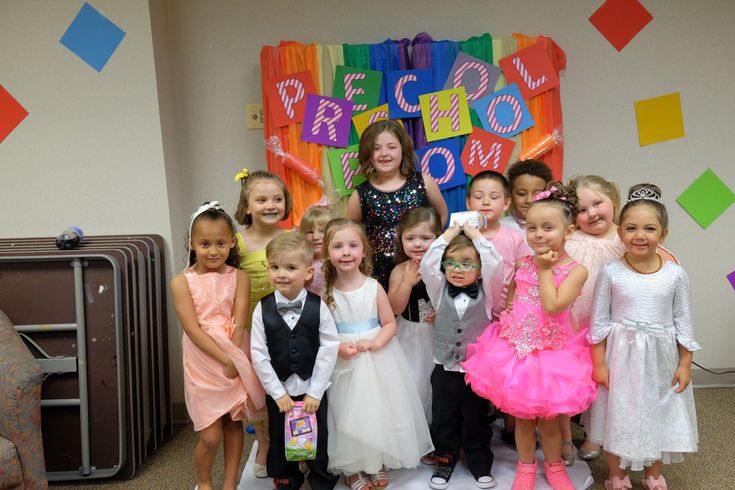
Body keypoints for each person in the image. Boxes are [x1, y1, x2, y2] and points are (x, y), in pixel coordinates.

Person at [463, 183, 597, 490]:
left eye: (548, 227)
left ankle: (554, 467)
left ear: (569, 231)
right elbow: (514, 292)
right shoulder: (524, 263)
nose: (538, 234)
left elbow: (552, 305)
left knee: (549, 421)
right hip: (516, 351)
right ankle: (526, 467)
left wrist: (546, 269)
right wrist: (511, 313)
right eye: (532, 227)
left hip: (552, 354)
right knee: (522, 418)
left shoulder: (577, 271)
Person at [587, 184, 699, 490]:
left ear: (663, 234)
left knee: (657, 411)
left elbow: (684, 322)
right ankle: (616, 474)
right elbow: (599, 322)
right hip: (620, 356)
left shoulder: (675, 274)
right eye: (631, 228)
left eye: (649, 228)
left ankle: (653, 473)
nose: (640, 235)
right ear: (620, 232)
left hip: (661, 359)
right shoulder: (611, 271)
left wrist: (685, 363)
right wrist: (599, 364)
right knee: (618, 412)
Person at [567, 175, 683, 464]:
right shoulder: (570, 239)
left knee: (615, 384)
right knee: (585, 379)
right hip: (578, 324)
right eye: (582, 209)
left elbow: (662, 265)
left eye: (598, 203)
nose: (591, 213)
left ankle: (604, 435)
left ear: (614, 203)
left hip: (620, 327)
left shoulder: (627, 237)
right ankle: (580, 434)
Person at [323, 218, 433, 490]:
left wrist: (375, 343)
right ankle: (352, 467)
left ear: (364, 250)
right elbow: (322, 332)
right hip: (344, 359)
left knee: (378, 410)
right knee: (348, 412)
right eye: (338, 246)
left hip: (377, 356)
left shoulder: (373, 286)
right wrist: (338, 347)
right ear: (327, 252)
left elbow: (390, 322)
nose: (346, 252)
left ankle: (376, 461)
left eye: (352, 245)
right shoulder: (325, 291)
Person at [170, 202, 266, 490]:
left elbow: (238, 321)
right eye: (205, 244)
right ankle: (204, 481)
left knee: (233, 423)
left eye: (221, 243)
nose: (213, 251)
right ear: (191, 243)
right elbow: (191, 327)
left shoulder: (239, 277)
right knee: (210, 434)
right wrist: (222, 358)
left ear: (232, 243)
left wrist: (234, 358)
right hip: (202, 357)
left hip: (234, 351)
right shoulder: (180, 282)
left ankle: (228, 484)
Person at [250, 232, 340, 490]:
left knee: (317, 434)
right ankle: (287, 478)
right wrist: (276, 392)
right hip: (280, 390)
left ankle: (320, 478)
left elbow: (329, 347)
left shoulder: (318, 306)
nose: (282, 274)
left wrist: (316, 390)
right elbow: (258, 352)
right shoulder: (262, 308)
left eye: (290, 267)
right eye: (275, 267)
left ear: (308, 272)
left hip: (312, 387)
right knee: (280, 435)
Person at [419, 219, 503, 489]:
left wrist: (475, 235)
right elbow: (427, 264)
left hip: (475, 370)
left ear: (480, 270)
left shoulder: (488, 295)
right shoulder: (439, 289)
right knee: (444, 418)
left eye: (467, 263)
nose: (457, 269)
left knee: (476, 418)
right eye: (452, 263)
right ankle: (445, 462)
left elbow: (496, 264)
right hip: (443, 367)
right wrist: (450, 234)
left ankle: (480, 463)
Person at [466, 170, 532, 450]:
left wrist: (514, 307)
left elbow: (523, 273)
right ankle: (475, 429)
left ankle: (510, 425)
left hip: (505, 315)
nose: (486, 202)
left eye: (493, 197)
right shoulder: (464, 234)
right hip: (471, 311)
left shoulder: (514, 237)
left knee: (507, 373)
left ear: (506, 203)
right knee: (475, 372)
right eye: (479, 197)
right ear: (468, 202)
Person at [233, 167, 291, 477]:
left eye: (277, 199)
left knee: (286, 383)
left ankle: (294, 441)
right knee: (258, 389)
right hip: (253, 329)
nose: (271, 205)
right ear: (246, 207)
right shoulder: (237, 243)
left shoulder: (291, 237)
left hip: (287, 326)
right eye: (262, 199)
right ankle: (265, 443)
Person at [346, 119, 448, 290]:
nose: (384, 153)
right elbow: (350, 234)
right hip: (379, 271)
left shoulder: (424, 183)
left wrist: (428, 246)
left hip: (421, 264)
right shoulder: (360, 195)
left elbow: (442, 215)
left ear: (403, 149)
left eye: (391, 147)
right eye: (376, 148)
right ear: (368, 154)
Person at [387, 206, 443, 421]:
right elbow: (394, 308)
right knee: (412, 380)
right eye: (410, 238)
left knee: (433, 383)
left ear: (437, 238)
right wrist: (406, 284)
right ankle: (414, 430)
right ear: (401, 239)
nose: (417, 244)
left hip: (438, 335)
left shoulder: (444, 267)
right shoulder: (400, 270)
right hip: (409, 335)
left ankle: (437, 433)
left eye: (425, 237)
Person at [501, 159, 553, 232]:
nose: (529, 200)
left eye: (537, 194)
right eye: (521, 194)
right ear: (510, 195)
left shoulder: (555, 227)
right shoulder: (500, 228)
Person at [299, 204, 336, 297]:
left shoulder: (337, 261)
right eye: (310, 232)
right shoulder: (301, 262)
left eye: (322, 231)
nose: (315, 237)